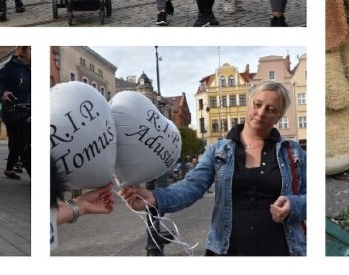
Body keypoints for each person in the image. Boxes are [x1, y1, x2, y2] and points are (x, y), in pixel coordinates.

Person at [119, 81, 306, 256]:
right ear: (249, 104)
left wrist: (293, 205)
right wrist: (156, 198)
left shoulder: (293, 152)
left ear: (278, 117)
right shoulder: (219, 150)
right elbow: (192, 186)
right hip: (226, 249)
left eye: (270, 109)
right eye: (257, 104)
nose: (261, 112)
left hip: (282, 249)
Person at [0, 46, 31, 180]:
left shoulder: (29, 69)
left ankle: (9, 169)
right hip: (13, 110)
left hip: (26, 110)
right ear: (22, 51)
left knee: (16, 142)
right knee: (22, 142)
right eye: (31, 49)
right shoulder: (11, 67)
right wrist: (1, 95)